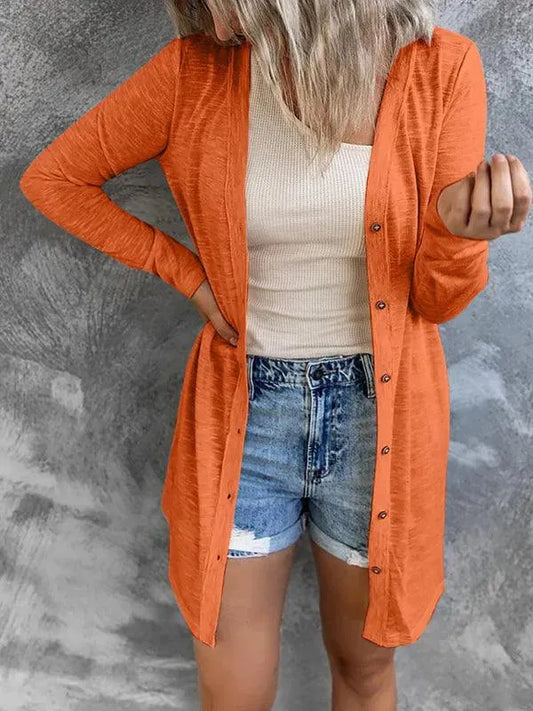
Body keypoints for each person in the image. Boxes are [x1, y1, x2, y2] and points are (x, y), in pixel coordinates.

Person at [19, 1, 531, 709]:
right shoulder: (195, 72)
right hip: (245, 415)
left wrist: (455, 237)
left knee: (364, 670)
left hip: (378, 422)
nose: (201, 9)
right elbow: (54, 179)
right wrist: (188, 275)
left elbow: (437, 303)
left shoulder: (439, 69)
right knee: (232, 691)